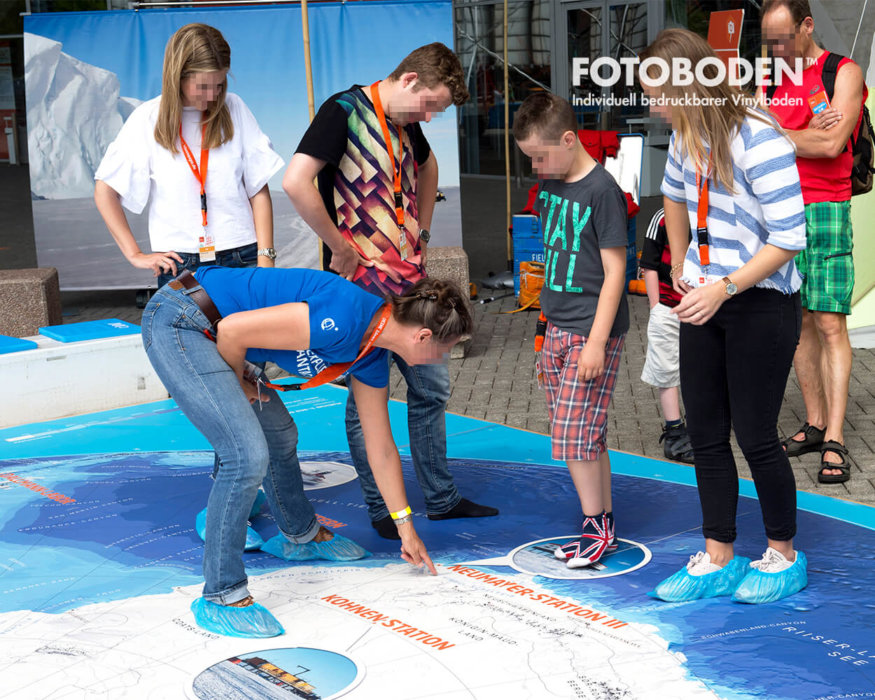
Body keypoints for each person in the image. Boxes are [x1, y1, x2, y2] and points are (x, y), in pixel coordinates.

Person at [142, 266, 472, 637]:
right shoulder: (346, 315)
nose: (440, 358)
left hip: (217, 331)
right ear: (424, 335)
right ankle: (222, 592)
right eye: (444, 349)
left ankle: (299, 536)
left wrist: (406, 529)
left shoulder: (372, 352)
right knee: (246, 454)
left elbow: (380, 447)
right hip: (182, 319)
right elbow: (233, 332)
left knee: (279, 435)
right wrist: (239, 385)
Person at [283, 42, 497, 539]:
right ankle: (381, 505)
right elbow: (296, 182)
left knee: (431, 387)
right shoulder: (343, 111)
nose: (428, 116)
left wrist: (421, 232)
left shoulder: (404, 120)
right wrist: (337, 245)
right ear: (409, 80)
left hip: (409, 284)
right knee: (365, 400)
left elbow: (429, 168)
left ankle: (440, 497)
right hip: (360, 291)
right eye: (429, 105)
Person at [642, 29, 809, 605]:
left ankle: (783, 554)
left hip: (762, 301)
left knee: (756, 435)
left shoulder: (762, 141)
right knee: (705, 432)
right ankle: (718, 554)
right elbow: (671, 196)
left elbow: (790, 238)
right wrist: (687, 260)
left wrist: (727, 286)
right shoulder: (689, 137)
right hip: (706, 296)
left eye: (658, 94)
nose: (653, 106)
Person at [513, 92, 629, 569]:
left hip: (590, 332)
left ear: (568, 138)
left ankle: (594, 528)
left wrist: (597, 342)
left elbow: (615, 271)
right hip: (558, 326)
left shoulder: (601, 190)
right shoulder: (553, 186)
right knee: (586, 435)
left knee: (573, 436)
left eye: (540, 156)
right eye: (530, 160)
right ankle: (603, 522)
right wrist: (545, 329)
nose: (537, 167)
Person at [761, 0, 866, 484]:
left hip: (826, 207)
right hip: (779, 210)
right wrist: (796, 133)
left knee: (829, 323)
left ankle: (838, 439)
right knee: (796, 320)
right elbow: (752, 139)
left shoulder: (842, 72)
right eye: (769, 40)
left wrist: (779, 131)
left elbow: (830, 144)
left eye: (783, 38)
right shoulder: (769, 78)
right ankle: (816, 422)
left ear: (807, 25)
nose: (777, 49)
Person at [95, 23, 283, 288]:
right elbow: (105, 191)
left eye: (219, 84)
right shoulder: (147, 119)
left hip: (243, 256)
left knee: (252, 330)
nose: (213, 95)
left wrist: (266, 259)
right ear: (178, 76)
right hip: (180, 265)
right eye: (203, 86)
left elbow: (258, 190)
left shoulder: (235, 108)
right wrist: (134, 254)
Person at [640, 209, 694, 465]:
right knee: (666, 369)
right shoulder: (661, 217)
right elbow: (649, 265)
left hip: (706, 307)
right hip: (668, 307)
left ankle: (701, 427)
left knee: (702, 370)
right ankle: (674, 431)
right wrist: (656, 308)